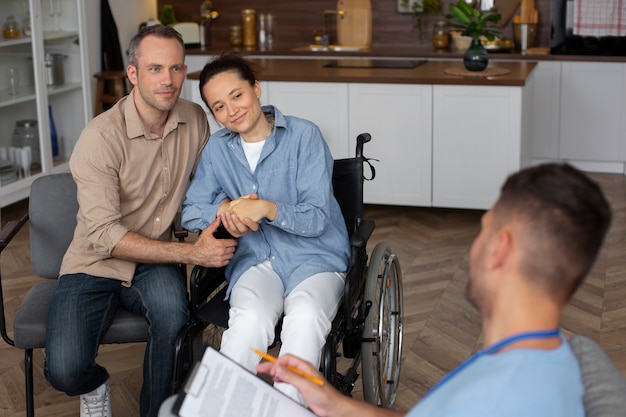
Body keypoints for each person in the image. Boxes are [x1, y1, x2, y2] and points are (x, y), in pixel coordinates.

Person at [258, 163, 612, 417]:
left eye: (483, 230)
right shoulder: (546, 360)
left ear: (500, 249)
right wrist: (337, 406)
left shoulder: (497, 396)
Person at [44, 25, 241, 417]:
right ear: (132, 74)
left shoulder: (196, 120)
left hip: (155, 263)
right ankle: (95, 385)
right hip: (93, 262)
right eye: (154, 69)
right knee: (64, 370)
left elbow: (204, 191)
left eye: (175, 69)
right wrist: (192, 253)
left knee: (174, 319)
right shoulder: (100, 137)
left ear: (185, 72)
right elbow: (103, 235)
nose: (167, 81)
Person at [181, 53, 350, 402]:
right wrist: (225, 210)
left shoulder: (304, 136)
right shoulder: (217, 150)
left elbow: (318, 216)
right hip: (257, 259)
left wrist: (267, 208)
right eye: (219, 107)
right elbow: (190, 212)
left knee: (304, 320)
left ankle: (289, 409)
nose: (232, 110)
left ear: (256, 89)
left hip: (315, 258)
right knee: (248, 323)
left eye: (237, 95)